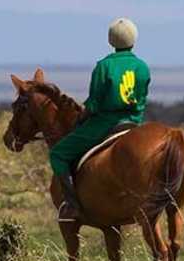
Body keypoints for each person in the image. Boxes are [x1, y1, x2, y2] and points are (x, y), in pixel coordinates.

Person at [48, 18, 151, 221]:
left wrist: (82, 117)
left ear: (111, 41)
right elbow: (143, 97)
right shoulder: (142, 66)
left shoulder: (103, 66)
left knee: (58, 153)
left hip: (107, 124)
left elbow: (94, 103)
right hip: (134, 123)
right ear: (134, 39)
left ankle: (71, 205)